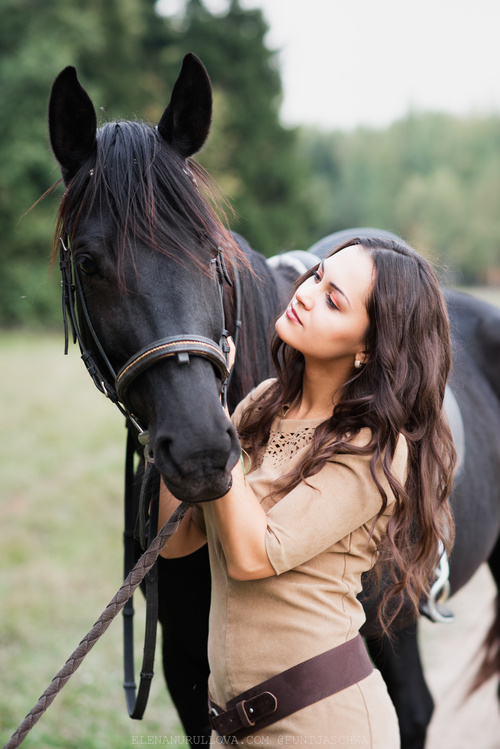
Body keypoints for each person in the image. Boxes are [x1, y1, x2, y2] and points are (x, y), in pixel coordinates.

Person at [158, 236, 456, 747]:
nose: (306, 294)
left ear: (367, 347)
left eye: (334, 300)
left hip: (325, 726)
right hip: (236, 726)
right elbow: (177, 540)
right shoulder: (262, 404)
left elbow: (253, 555)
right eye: (317, 276)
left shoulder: (373, 449)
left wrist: (210, 410)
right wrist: (185, 409)